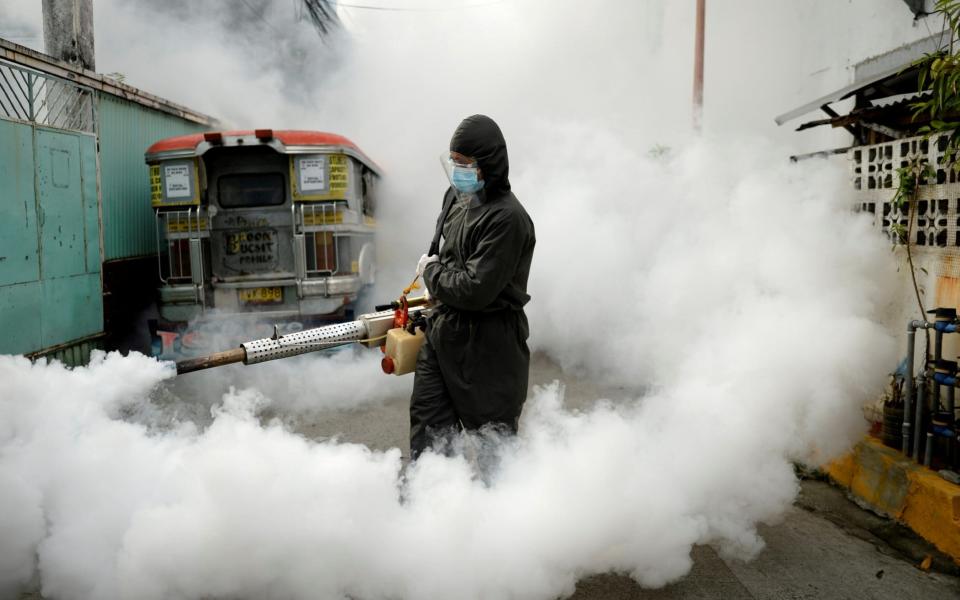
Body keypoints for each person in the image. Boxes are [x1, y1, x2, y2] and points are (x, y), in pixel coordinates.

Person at [409, 114, 536, 460]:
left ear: (488, 164)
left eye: (464, 164)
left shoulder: (508, 219)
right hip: (443, 336)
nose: (457, 171)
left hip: (490, 350)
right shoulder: (455, 197)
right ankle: (431, 507)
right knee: (430, 442)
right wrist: (434, 272)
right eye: (453, 162)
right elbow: (442, 251)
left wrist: (432, 274)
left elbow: (474, 289)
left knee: (494, 452)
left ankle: (508, 513)